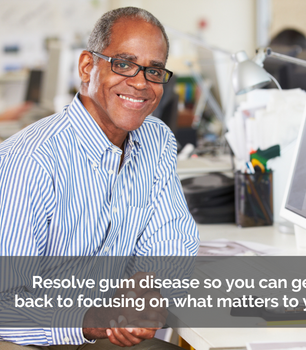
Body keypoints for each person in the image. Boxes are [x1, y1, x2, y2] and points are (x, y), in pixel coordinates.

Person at [0, 7, 199, 350]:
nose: (140, 83)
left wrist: (147, 287)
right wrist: (91, 320)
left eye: (153, 70)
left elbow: (172, 241)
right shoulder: (29, 162)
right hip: (31, 339)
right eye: (123, 63)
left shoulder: (157, 140)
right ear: (87, 67)